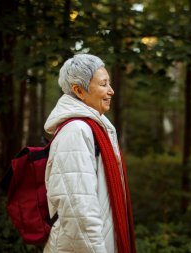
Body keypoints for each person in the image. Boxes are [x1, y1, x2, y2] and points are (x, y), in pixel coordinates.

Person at [43, 53, 136, 253]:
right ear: (79, 91)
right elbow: (78, 210)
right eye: (103, 84)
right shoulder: (76, 131)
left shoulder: (97, 128)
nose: (111, 91)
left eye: (109, 84)